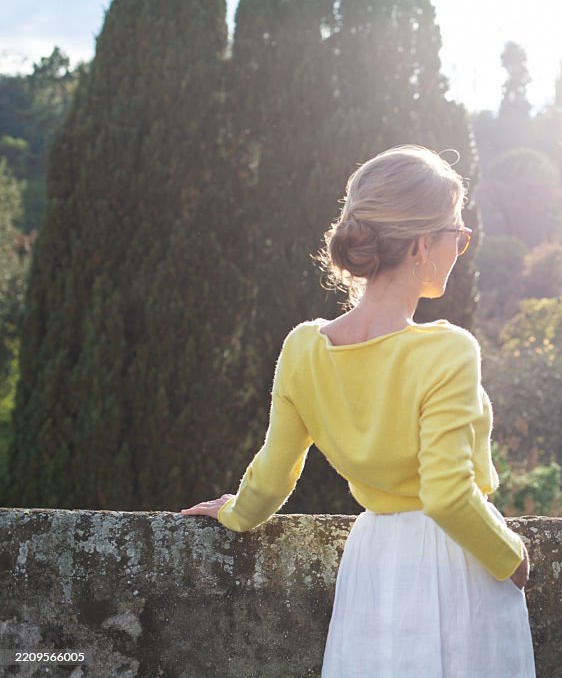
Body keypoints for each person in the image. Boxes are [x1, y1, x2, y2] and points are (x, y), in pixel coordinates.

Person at [180, 144, 535, 676]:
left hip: (373, 564)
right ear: (420, 245)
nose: (462, 249)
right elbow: (447, 494)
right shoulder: (447, 350)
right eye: (458, 236)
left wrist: (234, 512)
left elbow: (275, 477)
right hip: (459, 565)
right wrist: (513, 557)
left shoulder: (302, 349)